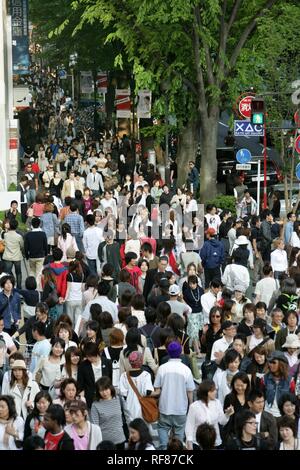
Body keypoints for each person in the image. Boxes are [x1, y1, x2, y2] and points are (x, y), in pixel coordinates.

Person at [154, 341, 195, 449]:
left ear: (168, 352)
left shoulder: (162, 368)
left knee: (162, 428)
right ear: (180, 351)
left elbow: (157, 387)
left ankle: (163, 448)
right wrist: (190, 405)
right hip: (180, 408)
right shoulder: (186, 369)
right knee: (179, 434)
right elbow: (190, 390)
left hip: (165, 407)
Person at [185, 379, 234, 449]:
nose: (215, 392)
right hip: (198, 443)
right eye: (213, 390)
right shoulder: (194, 406)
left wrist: (227, 414)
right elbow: (189, 426)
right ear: (207, 392)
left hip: (214, 441)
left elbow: (222, 422)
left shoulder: (217, 403)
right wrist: (189, 444)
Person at [90, 376, 126, 448]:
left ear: (110, 388)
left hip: (120, 439)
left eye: (106, 389)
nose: (104, 393)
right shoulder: (95, 405)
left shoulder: (118, 399)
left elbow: (126, 416)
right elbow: (95, 427)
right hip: (105, 443)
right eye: (101, 390)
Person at [77, 342, 112, 409]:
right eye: (87, 356)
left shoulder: (107, 362)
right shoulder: (83, 366)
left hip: (106, 395)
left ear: (96, 353)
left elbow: (110, 379)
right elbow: (80, 383)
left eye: (91, 356)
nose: (89, 358)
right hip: (91, 398)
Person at [261, 351, 295, 418]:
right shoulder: (264, 378)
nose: (270, 365)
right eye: (270, 362)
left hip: (283, 415)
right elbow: (262, 396)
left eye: (274, 362)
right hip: (267, 414)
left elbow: (293, 399)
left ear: (281, 364)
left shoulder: (290, 380)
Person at [24, 218, 48, 285]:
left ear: (31, 224)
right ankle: (37, 287)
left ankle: (30, 285)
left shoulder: (28, 235)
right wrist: (46, 253)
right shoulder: (43, 234)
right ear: (39, 224)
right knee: (39, 272)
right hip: (41, 256)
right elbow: (45, 245)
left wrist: (26, 256)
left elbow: (26, 247)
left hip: (31, 256)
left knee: (32, 271)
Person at [2, 220, 24, 289]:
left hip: (8, 256)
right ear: (16, 226)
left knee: (7, 273)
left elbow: (5, 243)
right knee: (18, 273)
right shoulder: (19, 236)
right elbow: (22, 246)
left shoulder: (6, 235)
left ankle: (8, 286)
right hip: (17, 256)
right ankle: (19, 287)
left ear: (10, 226)